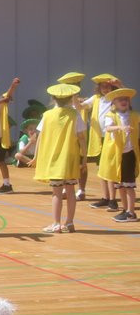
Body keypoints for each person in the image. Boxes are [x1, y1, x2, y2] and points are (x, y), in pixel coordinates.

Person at [34, 84, 86, 233]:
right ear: (71, 98)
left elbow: (40, 136)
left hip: (54, 158)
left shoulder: (47, 115)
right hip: (70, 157)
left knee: (56, 192)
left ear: (53, 98)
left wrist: (37, 156)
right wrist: (83, 158)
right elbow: (81, 138)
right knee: (70, 190)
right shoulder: (75, 114)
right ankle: (69, 222)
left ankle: (56, 223)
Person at [97, 87, 138, 222]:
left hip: (129, 154)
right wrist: (120, 127)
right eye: (120, 99)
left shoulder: (134, 115)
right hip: (117, 154)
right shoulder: (111, 115)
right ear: (114, 102)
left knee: (129, 185)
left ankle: (131, 213)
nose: (124, 101)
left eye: (126, 99)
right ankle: (125, 209)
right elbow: (108, 128)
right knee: (120, 185)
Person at [84, 74, 123, 211]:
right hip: (99, 138)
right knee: (101, 168)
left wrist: (119, 85)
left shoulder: (115, 98)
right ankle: (105, 197)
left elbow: (125, 96)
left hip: (110, 138)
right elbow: (82, 106)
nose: (105, 89)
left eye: (107, 86)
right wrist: (73, 98)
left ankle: (113, 200)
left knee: (110, 169)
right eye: (102, 86)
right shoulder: (96, 98)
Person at [57, 72, 88, 198]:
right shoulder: (61, 100)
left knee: (81, 162)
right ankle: (66, 187)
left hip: (79, 134)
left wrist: (76, 96)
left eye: (76, 84)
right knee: (66, 161)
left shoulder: (83, 100)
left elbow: (79, 106)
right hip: (66, 135)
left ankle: (81, 190)